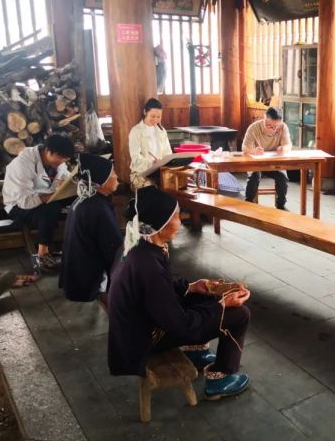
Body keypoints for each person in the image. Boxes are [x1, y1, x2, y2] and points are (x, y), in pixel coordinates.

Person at [107, 186, 251, 400]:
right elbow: (179, 323)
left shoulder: (137, 244)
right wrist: (222, 305)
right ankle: (220, 379)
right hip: (145, 340)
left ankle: (196, 352)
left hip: (138, 327)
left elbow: (157, 294)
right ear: (160, 225)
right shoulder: (147, 264)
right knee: (239, 315)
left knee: (204, 295)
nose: (180, 221)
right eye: (175, 217)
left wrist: (191, 287)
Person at [2, 134, 75, 273]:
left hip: (47, 198)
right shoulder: (22, 164)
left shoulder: (58, 161)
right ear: (48, 151)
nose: (61, 162)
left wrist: (68, 185)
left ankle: (81, 243)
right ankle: (42, 253)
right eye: (59, 158)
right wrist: (54, 195)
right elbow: (24, 201)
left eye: (65, 159)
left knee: (81, 197)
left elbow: (64, 176)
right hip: (18, 206)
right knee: (50, 209)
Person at [60, 154, 122, 302]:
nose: (116, 176)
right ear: (101, 181)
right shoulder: (98, 208)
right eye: (112, 173)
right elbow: (113, 249)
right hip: (89, 281)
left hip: (75, 279)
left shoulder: (83, 200)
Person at [242, 106, 292, 210]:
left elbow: (288, 145)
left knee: (282, 177)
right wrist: (253, 151)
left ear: (280, 123)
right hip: (256, 163)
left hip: (274, 163)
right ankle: (248, 203)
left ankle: (281, 204)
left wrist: (284, 148)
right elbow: (244, 148)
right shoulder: (254, 128)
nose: (272, 129)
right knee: (254, 176)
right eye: (268, 125)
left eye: (275, 127)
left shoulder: (283, 127)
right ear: (264, 118)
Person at [129, 98, 172, 190]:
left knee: (175, 186)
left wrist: (163, 162)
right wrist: (152, 163)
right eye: (152, 116)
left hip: (160, 171)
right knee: (151, 189)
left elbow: (168, 153)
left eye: (159, 117)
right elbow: (136, 159)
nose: (155, 119)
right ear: (145, 112)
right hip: (141, 173)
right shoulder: (136, 131)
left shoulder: (162, 131)